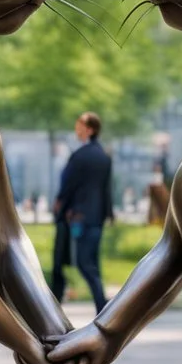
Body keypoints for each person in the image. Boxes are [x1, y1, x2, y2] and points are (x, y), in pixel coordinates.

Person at [51, 111, 114, 312]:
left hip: (79, 217)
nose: (77, 128)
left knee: (83, 262)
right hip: (97, 217)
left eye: (80, 125)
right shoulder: (104, 156)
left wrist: (60, 204)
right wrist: (109, 212)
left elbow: (69, 185)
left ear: (90, 129)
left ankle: (102, 303)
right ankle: (100, 305)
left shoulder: (79, 156)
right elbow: (106, 188)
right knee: (92, 261)